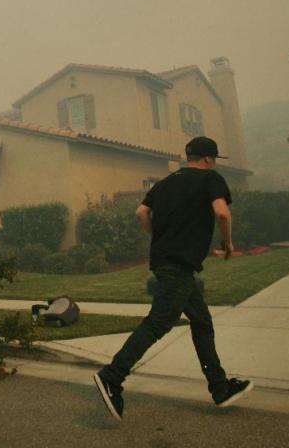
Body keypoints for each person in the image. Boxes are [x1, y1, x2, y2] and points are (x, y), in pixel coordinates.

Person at [93, 136, 252, 421]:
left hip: (167, 262)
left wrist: (157, 236)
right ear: (208, 159)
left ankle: (220, 388)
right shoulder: (210, 178)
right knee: (159, 322)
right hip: (178, 265)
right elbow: (222, 214)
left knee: (201, 321)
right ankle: (111, 377)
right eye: (213, 159)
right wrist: (228, 244)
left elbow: (141, 212)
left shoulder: (165, 183)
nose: (213, 163)